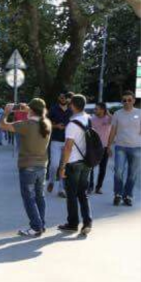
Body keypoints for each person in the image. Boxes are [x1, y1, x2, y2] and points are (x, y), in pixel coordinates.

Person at [0, 99, 51, 237]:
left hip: (28, 166)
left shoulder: (26, 124)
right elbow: (38, 114)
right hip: (42, 165)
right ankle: (41, 224)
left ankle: (36, 227)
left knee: (29, 198)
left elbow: (3, 125)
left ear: (32, 110)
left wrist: (6, 112)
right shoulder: (47, 123)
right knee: (40, 196)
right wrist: (28, 108)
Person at [58, 94, 93, 236]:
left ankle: (72, 224)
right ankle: (87, 222)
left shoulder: (72, 124)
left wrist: (62, 166)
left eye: (69, 104)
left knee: (71, 195)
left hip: (73, 162)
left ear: (72, 105)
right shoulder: (89, 118)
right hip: (86, 161)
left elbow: (68, 147)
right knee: (83, 193)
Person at [108, 91, 141, 206]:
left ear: (134, 101)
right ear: (122, 101)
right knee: (118, 171)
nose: (127, 102)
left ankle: (128, 196)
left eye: (129, 100)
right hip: (120, 147)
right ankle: (118, 194)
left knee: (132, 174)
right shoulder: (117, 114)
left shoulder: (140, 113)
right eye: (124, 100)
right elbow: (113, 131)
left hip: (136, 147)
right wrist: (108, 146)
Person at [47, 92, 72, 196]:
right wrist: (56, 126)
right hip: (55, 140)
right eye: (61, 97)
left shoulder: (71, 110)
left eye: (65, 97)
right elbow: (46, 122)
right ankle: (51, 180)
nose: (63, 99)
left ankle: (61, 189)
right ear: (58, 98)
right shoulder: (53, 109)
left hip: (68, 141)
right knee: (54, 164)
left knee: (64, 166)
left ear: (67, 98)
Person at [90, 102, 113, 194]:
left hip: (105, 147)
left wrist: (108, 113)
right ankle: (90, 186)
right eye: (95, 109)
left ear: (103, 110)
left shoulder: (108, 119)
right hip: (94, 147)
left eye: (97, 109)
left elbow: (115, 120)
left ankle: (98, 187)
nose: (95, 110)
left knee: (102, 168)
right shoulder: (92, 119)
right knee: (90, 168)